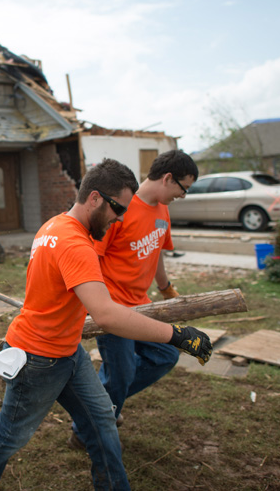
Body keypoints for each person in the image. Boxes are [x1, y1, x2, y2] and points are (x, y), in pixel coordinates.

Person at [0, 158, 212, 491]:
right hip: (38, 359)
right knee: (8, 436)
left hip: (67, 351)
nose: (119, 218)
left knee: (101, 420)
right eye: (117, 209)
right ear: (94, 198)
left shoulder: (54, 226)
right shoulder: (76, 244)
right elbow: (105, 314)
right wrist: (177, 335)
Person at [68, 149, 199, 450]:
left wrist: (166, 289)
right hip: (114, 308)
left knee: (165, 356)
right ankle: (84, 427)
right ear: (168, 178)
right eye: (184, 187)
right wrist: (97, 305)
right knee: (122, 372)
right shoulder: (121, 208)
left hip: (143, 304)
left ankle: (108, 401)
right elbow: (93, 259)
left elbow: (157, 253)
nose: (184, 195)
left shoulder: (162, 210)